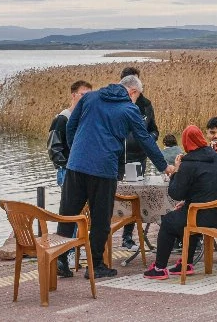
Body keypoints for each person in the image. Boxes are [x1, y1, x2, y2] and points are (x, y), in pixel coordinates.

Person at [56, 75, 175, 279]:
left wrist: (76, 150)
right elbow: (145, 139)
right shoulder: (129, 109)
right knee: (101, 219)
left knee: (68, 214)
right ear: (133, 92)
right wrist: (164, 166)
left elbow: (70, 126)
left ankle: (59, 259)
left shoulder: (90, 98)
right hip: (103, 169)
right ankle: (95, 266)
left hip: (75, 165)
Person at [143, 125, 217, 280]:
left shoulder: (188, 164)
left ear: (186, 143)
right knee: (188, 213)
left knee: (168, 221)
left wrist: (176, 170)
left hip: (204, 216)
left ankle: (159, 268)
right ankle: (186, 264)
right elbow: (208, 188)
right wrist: (187, 204)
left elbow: (175, 193)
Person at [120, 66, 159, 250]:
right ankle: (108, 233)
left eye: (136, 81)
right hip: (118, 158)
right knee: (115, 196)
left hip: (138, 159)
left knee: (134, 197)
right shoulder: (115, 104)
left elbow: (154, 129)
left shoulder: (146, 104)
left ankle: (128, 237)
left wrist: (149, 140)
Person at [48, 80, 92, 187]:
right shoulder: (63, 118)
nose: (87, 98)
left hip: (86, 171)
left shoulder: (87, 118)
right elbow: (53, 148)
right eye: (83, 95)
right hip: (68, 172)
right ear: (73, 95)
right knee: (70, 203)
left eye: (90, 95)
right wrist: (68, 165)